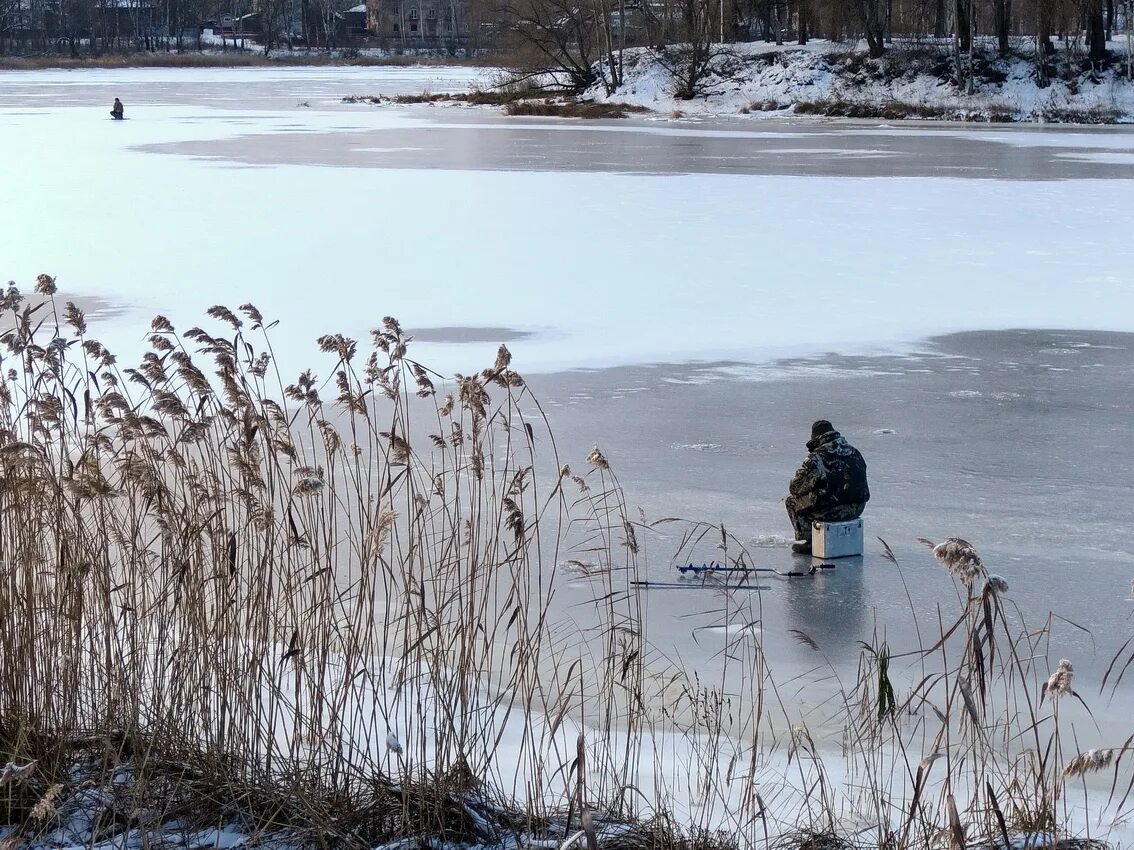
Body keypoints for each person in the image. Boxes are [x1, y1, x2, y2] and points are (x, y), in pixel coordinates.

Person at [786, 419, 869, 555]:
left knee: (791, 502)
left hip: (831, 512)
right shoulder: (854, 452)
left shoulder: (817, 458)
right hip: (856, 508)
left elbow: (795, 488)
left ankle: (810, 542)